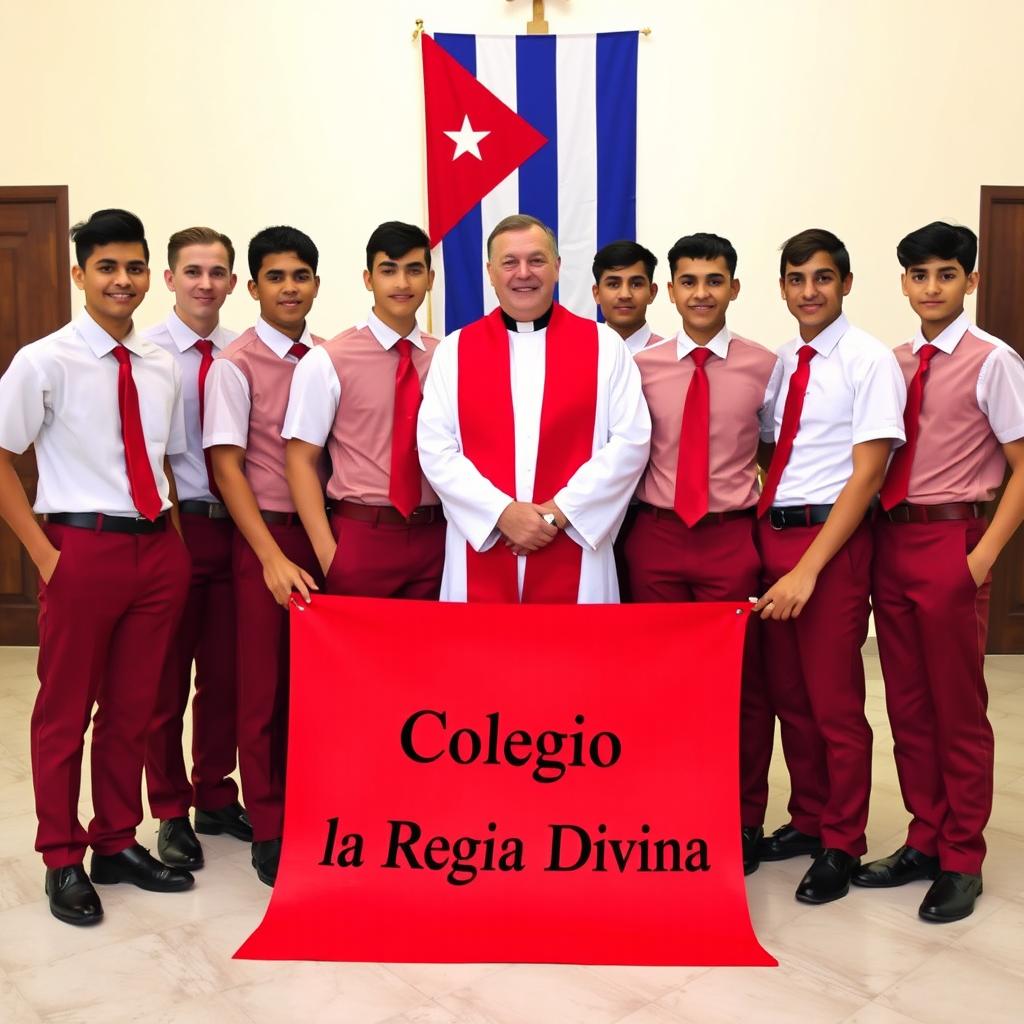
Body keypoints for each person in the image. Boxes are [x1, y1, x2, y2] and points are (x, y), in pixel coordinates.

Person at [0, 209, 194, 925]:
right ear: (79, 274)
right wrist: (45, 556)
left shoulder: (160, 364)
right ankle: (61, 855)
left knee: (134, 709)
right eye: (107, 267)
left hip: (154, 549)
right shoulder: (43, 360)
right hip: (81, 549)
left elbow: (161, 461)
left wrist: (170, 544)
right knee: (64, 712)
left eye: (134, 267)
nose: (123, 280)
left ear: (149, 275)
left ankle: (115, 841)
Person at [853, 222, 1024, 922]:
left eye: (946, 274)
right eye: (919, 276)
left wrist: (981, 557)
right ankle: (924, 837)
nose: (931, 288)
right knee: (907, 704)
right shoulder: (888, 363)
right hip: (890, 544)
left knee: (957, 708)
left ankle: (962, 855)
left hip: (953, 539)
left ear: (971, 281)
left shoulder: (994, 361)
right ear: (903, 284)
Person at [753, 228, 906, 904]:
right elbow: (768, 449)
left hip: (830, 547)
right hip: (773, 539)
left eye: (822, 277)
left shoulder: (869, 361)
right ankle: (809, 819)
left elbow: (869, 475)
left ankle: (843, 841)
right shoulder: (784, 360)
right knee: (790, 698)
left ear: (846, 284)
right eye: (796, 278)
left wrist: (810, 568)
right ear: (782, 287)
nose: (808, 291)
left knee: (835, 703)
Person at [627, 232, 780, 875]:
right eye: (688, 281)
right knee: (660, 687)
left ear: (734, 289)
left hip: (727, 538)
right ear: (669, 291)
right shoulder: (639, 366)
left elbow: (778, 446)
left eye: (713, 281)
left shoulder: (765, 365)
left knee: (740, 690)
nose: (700, 293)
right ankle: (667, 810)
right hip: (656, 537)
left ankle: (742, 819)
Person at [418, 214, 651, 603]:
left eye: (537, 260)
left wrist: (558, 513)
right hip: (483, 546)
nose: (523, 273)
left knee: (574, 662)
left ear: (557, 267)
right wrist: (501, 513)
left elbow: (630, 441)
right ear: (491, 272)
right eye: (510, 262)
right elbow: (435, 448)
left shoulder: (604, 347)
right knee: (481, 661)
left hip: (575, 546)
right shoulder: (455, 351)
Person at [203, 226, 325, 886]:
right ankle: (270, 825)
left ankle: (318, 807)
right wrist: (272, 556)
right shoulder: (237, 364)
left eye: (300, 275)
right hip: (266, 540)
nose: (289, 288)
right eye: (275, 277)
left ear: (315, 284)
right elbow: (226, 468)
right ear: (253, 288)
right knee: (264, 691)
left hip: (325, 534)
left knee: (319, 687)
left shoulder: (329, 358)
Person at [143, 226, 252, 872]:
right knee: (165, 682)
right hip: (174, 527)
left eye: (217, 273)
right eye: (193, 272)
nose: (205, 284)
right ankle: (169, 809)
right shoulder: (148, 353)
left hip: (233, 528)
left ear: (234, 282)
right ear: (170, 279)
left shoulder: (240, 353)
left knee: (226, 677)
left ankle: (216, 794)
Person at [284, 222, 445, 597]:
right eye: (388, 270)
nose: (402, 283)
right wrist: (329, 554)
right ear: (368, 279)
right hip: (361, 536)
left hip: (436, 538)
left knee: (428, 656)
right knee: (360, 657)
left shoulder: (448, 358)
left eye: (414, 270)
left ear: (431, 278)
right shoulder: (328, 360)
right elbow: (299, 460)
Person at [591, 240, 662, 354]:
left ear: (652, 292)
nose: (625, 295)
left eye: (636, 284)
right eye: (613, 284)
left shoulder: (675, 359)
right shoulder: (576, 355)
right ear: (597, 293)